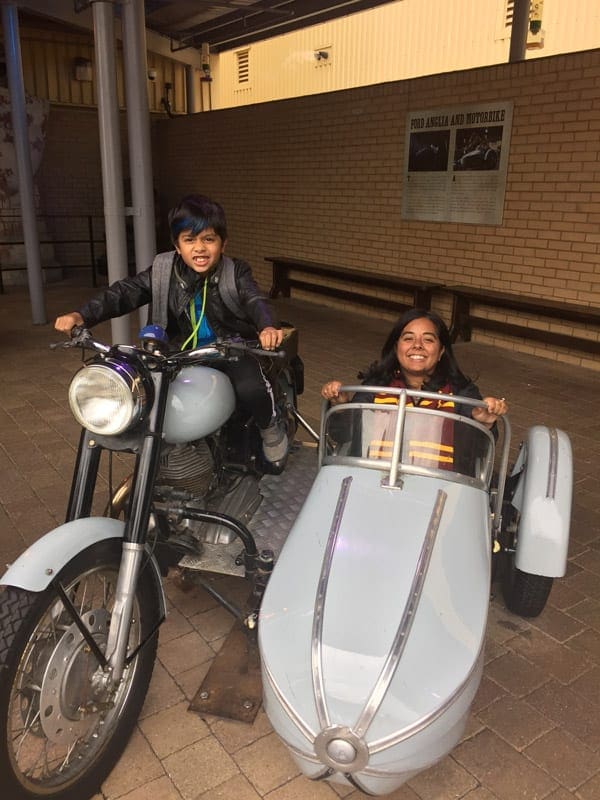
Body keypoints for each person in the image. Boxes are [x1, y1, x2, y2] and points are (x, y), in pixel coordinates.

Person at [55, 194, 288, 465]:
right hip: (178, 352)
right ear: (177, 245)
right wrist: (81, 315)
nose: (199, 248)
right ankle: (180, 460)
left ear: (223, 244)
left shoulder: (235, 272)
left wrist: (267, 325)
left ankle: (270, 427)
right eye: (190, 240)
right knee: (142, 396)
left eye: (208, 239)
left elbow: (254, 298)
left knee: (250, 387)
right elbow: (125, 292)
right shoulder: (163, 271)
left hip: (230, 349)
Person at [321, 308, 507, 467]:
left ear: (441, 350)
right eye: (408, 338)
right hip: (375, 481)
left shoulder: (459, 392)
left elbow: (476, 453)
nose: (417, 346)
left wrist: (485, 423)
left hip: (441, 492)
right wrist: (341, 407)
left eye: (428, 340)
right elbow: (343, 436)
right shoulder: (375, 387)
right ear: (396, 347)